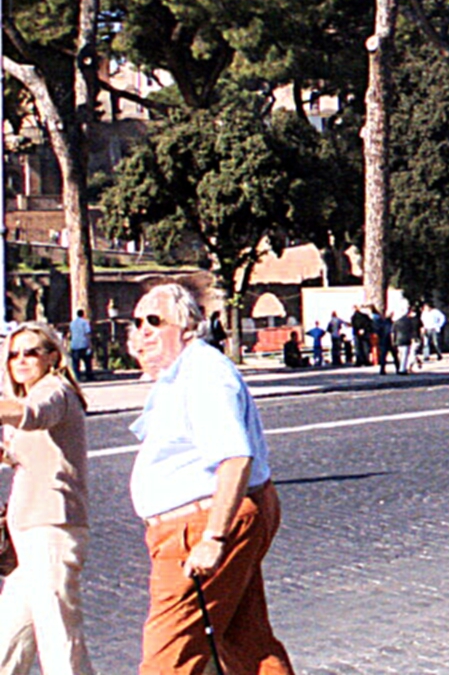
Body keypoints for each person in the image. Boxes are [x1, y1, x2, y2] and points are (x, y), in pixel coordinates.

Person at [126, 280, 294, 674]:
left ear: (187, 327)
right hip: (206, 519)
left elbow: (235, 459)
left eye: (155, 320)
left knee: (169, 655)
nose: (143, 330)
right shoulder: (183, 371)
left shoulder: (203, 375)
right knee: (244, 643)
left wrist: (213, 538)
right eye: (137, 322)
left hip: (199, 527)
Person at [0, 322, 95, 675]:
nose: (20, 361)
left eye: (30, 352)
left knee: (60, 642)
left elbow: (35, 416)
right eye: (13, 354)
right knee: (7, 645)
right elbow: (24, 452)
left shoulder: (55, 390)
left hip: (52, 530)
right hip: (27, 535)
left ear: (52, 356)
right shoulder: (29, 396)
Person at [65, 312, 91, 383]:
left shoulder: (72, 323)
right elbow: (87, 333)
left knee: (75, 362)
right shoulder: (85, 322)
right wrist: (89, 344)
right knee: (87, 361)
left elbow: (69, 334)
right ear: (83, 314)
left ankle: (77, 376)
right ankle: (88, 376)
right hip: (83, 343)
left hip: (75, 344)